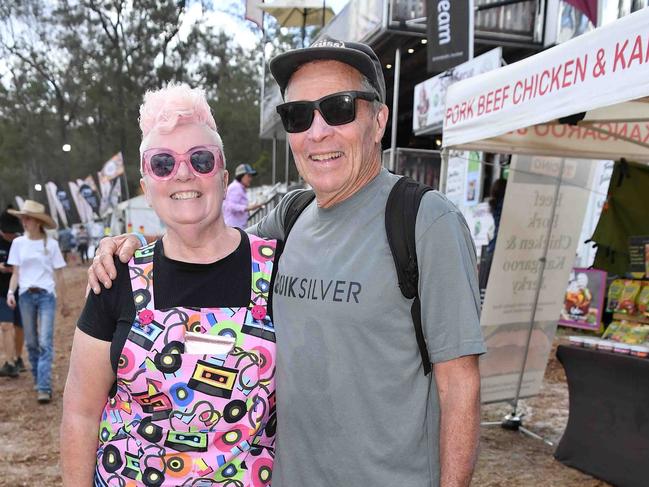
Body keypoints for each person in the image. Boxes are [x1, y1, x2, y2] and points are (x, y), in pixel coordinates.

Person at [89, 38, 485, 487]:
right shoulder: (290, 217)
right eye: (298, 115)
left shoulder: (425, 222)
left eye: (339, 109)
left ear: (378, 121)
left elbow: (461, 387)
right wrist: (134, 246)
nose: (318, 132)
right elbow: (205, 243)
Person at [61, 83, 277, 486]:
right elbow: (80, 412)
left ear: (223, 176)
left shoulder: (277, 269)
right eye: (162, 163)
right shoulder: (116, 278)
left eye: (200, 159)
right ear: (147, 186)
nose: (182, 173)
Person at [7, 200, 67, 403]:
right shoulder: (18, 244)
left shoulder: (51, 244)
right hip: (24, 296)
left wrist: (64, 301)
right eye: (23, 218)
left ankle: (44, 386)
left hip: (46, 296)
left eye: (27, 218)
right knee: (31, 342)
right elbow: (16, 272)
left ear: (37, 221)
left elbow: (59, 275)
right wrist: (10, 292)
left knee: (44, 341)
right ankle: (38, 376)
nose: (24, 221)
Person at [0, 208, 24, 377]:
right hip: (2, 291)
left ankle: (18, 357)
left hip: (20, 290)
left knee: (20, 326)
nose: (12, 236)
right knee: (6, 325)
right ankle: (9, 362)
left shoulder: (20, 242)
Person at [223, 163, 264, 228]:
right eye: (248, 176)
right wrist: (248, 208)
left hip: (235, 227)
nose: (251, 179)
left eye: (251, 176)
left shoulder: (238, 187)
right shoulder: (236, 187)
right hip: (233, 227)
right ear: (241, 176)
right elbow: (231, 206)